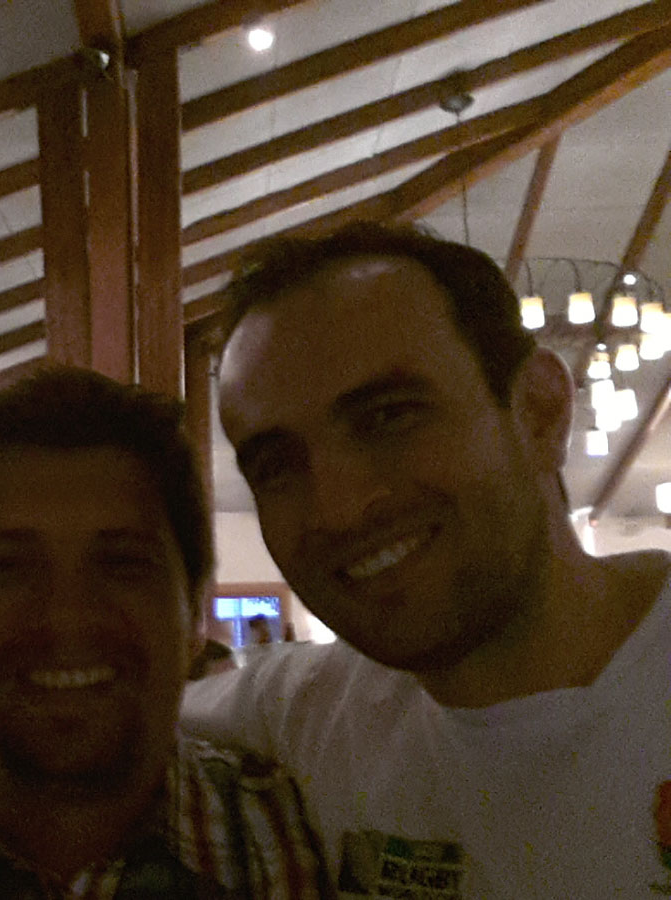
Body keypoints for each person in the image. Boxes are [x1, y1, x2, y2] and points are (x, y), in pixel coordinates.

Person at [185, 221, 671, 896]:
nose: (338, 509)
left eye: (389, 416)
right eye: (276, 466)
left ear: (539, 410)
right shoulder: (315, 710)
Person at [0, 367, 331, 897]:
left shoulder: (324, 834)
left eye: (123, 565)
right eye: (9, 568)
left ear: (194, 609)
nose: (67, 619)